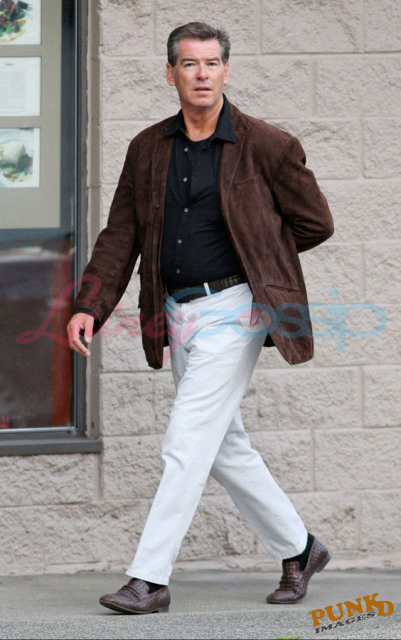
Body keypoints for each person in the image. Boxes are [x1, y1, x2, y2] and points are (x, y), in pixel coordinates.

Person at [67, 22, 334, 615]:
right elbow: (121, 235)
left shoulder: (268, 145)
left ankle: (149, 579)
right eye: (190, 64)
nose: (202, 74)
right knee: (222, 445)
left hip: (236, 310)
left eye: (212, 63)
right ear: (171, 74)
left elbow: (316, 222)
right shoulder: (148, 148)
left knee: (185, 443)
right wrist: (89, 305)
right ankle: (300, 548)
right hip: (177, 311)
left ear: (226, 71)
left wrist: (261, 256)